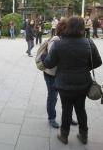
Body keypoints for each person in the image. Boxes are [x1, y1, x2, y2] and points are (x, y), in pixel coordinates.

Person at [43, 16, 102, 145]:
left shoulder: (59, 43)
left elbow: (48, 63)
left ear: (68, 27)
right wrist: (83, 68)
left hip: (64, 84)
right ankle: (83, 135)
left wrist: (44, 56)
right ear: (82, 27)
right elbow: (98, 62)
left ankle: (64, 135)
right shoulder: (89, 42)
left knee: (66, 109)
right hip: (83, 83)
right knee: (81, 109)